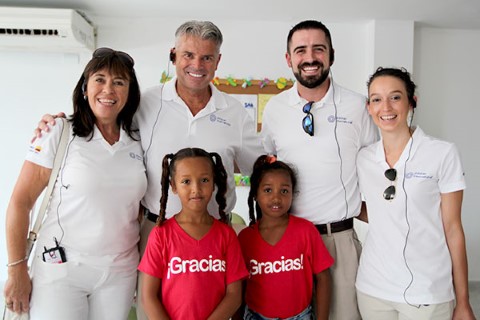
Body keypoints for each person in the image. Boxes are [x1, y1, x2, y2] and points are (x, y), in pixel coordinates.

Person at [32, 20, 264, 319]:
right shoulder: (145, 103)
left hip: (213, 237)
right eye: (188, 55)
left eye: (207, 57)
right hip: (155, 230)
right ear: (174, 55)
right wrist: (56, 122)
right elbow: (103, 113)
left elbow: (260, 170)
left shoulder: (234, 113)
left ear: (218, 61)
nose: (197, 64)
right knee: (150, 310)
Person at [4, 48, 147, 319]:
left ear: (130, 93)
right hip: (61, 269)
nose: (108, 89)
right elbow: (20, 203)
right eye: (100, 79)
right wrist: (17, 270)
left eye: (119, 82)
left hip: (119, 273)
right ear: (84, 87)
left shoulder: (139, 139)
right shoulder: (58, 132)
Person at [260, 20, 378, 320]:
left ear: (331, 55)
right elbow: (271, 169)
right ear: (289, 59)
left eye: (318, 49)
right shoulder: (275, 109)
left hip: (337, 240)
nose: (310, 58)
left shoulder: (357, 106)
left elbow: (374, 171)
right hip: (287, 240)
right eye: (300, 50)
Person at [355, 67, 476, 320]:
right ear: (369, 107)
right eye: (376, 99)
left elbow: (453, 228)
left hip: (428, 291)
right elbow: (369, 207)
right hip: (373, 288)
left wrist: (462, 301)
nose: (385, 107)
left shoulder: (442, 153)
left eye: (395, 97)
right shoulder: (364, 158)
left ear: (412, 102)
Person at [138, 147, 248, 319]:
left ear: (213, 184)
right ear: (174, 186)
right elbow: (148, 297)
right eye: (186, 181)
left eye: (204, 180)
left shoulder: (226, 235)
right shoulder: (161, 235)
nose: (196, 189)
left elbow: (234, 295)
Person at [237, 155, 334, 319]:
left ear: (292, 194)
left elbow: (323, 278)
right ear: (255, 194)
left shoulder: (305, 230)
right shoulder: (245, 238)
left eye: (284, 191)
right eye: (268, 190)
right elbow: (239, 286)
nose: (276, 198)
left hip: (301, 315)